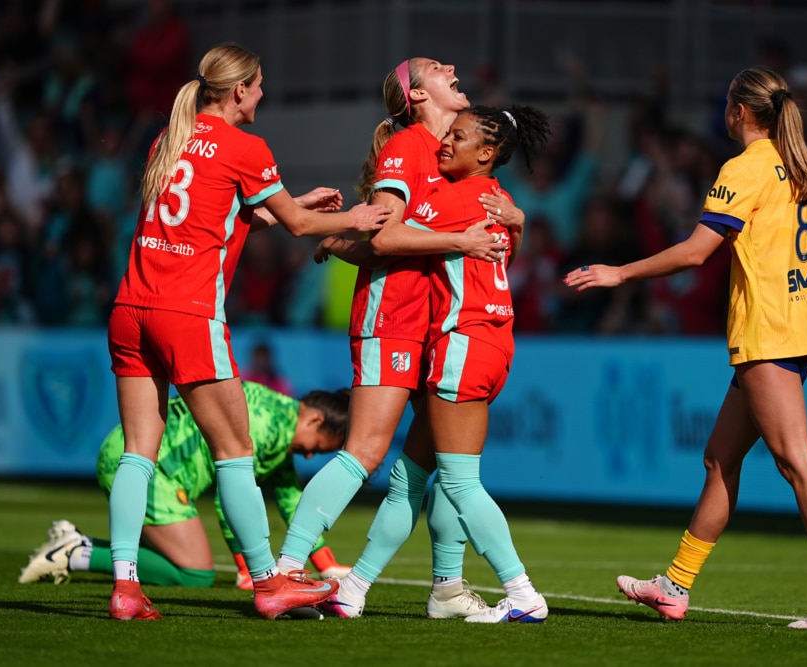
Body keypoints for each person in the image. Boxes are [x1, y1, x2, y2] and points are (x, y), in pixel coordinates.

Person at [564, 66, 807, 630]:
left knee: (797, 461)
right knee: (720, 459)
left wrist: (620, 273)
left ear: (740, 113)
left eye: (728, 102)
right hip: (797, 327)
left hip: (767, 334)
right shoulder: (806, 168)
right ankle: (674, 586)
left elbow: (695, 253)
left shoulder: (744, 169)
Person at [106, 42, 390, 621]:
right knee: (235, 452)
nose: (263, 94)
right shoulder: (246, 147)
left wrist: (287, 205)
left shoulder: (170, 137)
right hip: (186, 315)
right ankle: (268, 582)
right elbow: (301, 225)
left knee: (139, 452)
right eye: (259, 85)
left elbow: (217, 216)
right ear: (240, 90)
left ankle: (125, 586)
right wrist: (353, 218)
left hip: (130, 308)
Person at [275, 57, 519, 620]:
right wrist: (455, 241)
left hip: (436, 333)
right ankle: (286, 571)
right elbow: (385, 237)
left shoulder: (451, 159)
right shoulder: (410, 146)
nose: (452, 67)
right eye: (436, 67)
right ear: (415, 94)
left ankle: (442, 586)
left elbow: (467, 244)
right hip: (394, 319)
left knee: (432, 474)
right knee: (364, 451)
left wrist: (518, 222)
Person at [335, 103, 553, 624]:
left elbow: (386, 240)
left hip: (463, 342)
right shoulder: (501, 201)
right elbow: (507, 253)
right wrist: (520, 225)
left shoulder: (456, 196)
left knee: (458, 483)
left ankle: (522, 593)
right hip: (493, 341)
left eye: (459, 137)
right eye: (447, 134)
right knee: (410, 477)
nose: (445, 144)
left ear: (488, 152)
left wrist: (333, 239)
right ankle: (354, 589)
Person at [18, 382, 351, 590]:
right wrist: (246, 568)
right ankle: (77, 552)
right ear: (314, 420)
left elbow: (291, 497)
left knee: (185, 563)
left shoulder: (278, 420)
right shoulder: (267, 427)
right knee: (194, 573)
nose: (309, 456)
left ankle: (76, 545)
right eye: (317, 447)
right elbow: (229, 497)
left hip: (134, 453)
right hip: (154, 467)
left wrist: (326, 565)